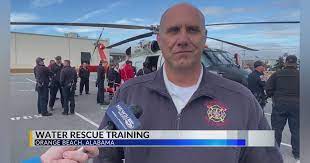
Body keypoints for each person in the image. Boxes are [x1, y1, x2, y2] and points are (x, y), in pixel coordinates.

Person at [39, 3, 283, 163]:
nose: (183, 39)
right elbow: (108, 149)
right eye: (173, 30)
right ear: (160, 38)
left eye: (193, 30)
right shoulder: (129, 94)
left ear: (205, 38)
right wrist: (87, 154)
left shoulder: (241, 99)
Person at [265, 55, 300, 161]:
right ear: (296, 63)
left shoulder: (277, 74)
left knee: (276, 129)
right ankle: (297, 153)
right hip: (298, 105)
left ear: (285, 63)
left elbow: (268, 89)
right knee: (297, 130)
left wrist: (274, 96)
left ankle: (274, 151)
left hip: (280, 104)